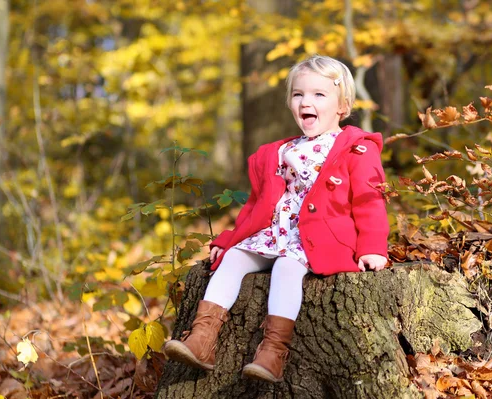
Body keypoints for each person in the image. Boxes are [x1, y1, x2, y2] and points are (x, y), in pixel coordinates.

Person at [162, 54, 389, 383]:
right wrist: (229, 239)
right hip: (276, 232)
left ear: (342, 105)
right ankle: (202, 339)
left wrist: (372, 247)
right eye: (298, 95)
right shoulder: (283, 150)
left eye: (318, 95)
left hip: (317, 238)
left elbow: (370, 201)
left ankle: (273, 351)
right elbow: (258, 204)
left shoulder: (355, 149)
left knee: (287, 267)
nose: (305, 102)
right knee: (234, 259)